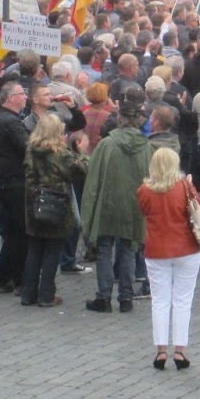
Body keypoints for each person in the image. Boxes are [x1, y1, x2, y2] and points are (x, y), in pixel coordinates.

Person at [79, 100, 150, 313]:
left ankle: (104, 297)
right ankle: (126, 298)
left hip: (107, 204)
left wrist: (88, 211)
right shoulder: (147, 147)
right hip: (134, 205)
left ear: (119, 118)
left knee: (104, 249)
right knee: (128, 249)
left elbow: (93, 178)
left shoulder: (106, 145)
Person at [136, 147, 200, 370]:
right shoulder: (184, 186)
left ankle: (161, 351)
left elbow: (144, 212)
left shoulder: (144, 190)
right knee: (183, 299)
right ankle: (180, 351)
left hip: (156, 249)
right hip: (186, 248)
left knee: (160, 300)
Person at [22, 113, 87, 307]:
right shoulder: (61, 154)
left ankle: (28, 293)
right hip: (57, 206)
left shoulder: (30, 150)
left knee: (34, 249)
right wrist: (81, 151)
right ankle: (46, 294)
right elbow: (81, 170)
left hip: (34, 204)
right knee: (52, 251)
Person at [0, 79, 30, 294]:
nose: (25, 97)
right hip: (14, 181)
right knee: (20, 231)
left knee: (13, 233)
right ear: (11, 98)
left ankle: (4, 277)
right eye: (21, 94)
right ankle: (18, 278)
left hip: (7, 181)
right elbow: (27, 147)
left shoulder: (5, 118)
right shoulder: (10, 122)